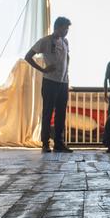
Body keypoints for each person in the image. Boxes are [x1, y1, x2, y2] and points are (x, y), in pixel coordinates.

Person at [25, 16, 72, 153]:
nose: (66, 31)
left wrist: (67, 76)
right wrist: (43, 69)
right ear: (57, 27)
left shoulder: (65, 42)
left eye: (68, 29)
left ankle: (59, 143)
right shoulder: (45, 41)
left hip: (63, 82)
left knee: (61, 114)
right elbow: (28, 56)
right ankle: (45, 143)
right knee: (48, 112)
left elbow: (66, 58)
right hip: (50, 81)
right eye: (65, 28)